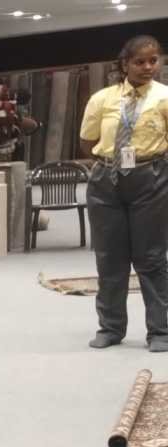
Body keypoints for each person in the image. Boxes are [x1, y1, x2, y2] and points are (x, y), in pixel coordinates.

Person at [81, 34, 168, 351]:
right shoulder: (102, 98)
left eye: (154, 60)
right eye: (140, 61)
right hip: (106, 181)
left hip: (151, 179)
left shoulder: (164, 97)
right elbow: (87, 142)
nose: (148, 66)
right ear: (124, 63)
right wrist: (111, 163)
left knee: (152, 258)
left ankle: (160, 331)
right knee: (110, 259)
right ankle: (110, 328)